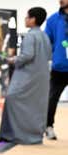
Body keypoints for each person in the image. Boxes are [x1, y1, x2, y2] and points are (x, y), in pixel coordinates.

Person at [0, 8, 52, 144]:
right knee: (35, 107)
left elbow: (27, 56)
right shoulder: (44, 36)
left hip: (27, 77)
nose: (25, 19)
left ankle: (16, 134)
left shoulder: (30, 36)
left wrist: (13, 59)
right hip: (41, 77)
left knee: (12, 98)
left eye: (27, 17)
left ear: (33, 19)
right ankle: (33, 135)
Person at [45, 0, 68, 140]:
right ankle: (48, 127)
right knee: (52, 98)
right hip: (59, 67)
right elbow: (47, 41)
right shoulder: (53, 19)